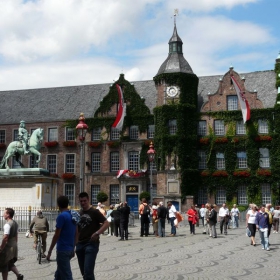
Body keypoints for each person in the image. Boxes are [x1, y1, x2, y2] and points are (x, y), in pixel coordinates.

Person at [76, 192, 109, 280]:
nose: (83, 203)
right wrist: (75, 244)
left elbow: (106, 223)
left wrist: (98, 233)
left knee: (88, 271)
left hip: (91, 244)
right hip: (80, 244)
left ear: (88, 200)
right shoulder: (79, 213)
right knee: (84, 272)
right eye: (81, 201)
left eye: (84, 201)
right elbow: (77, 230)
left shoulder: (94, 212)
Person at [47, 196, 78, 280]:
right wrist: (73, 247)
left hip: (62, 249)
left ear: (58, 205)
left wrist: (50, 251)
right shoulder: (73, 215)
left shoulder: (61, 217)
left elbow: (56, 235)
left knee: (66, 275)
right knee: (59, 274)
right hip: (70, 248)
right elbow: (76, 233)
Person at [0, 208, 24, 280]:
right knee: (10, 262)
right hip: (14, 245)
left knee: (4, 264)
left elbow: (5, 238)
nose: (3, 214)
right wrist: (15, 245)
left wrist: (1, 248)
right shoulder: (15, 223)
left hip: (8, 247)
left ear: (8, 215)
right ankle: (18, 275)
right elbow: (16, 235)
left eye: (4, 213)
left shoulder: (7, 225)